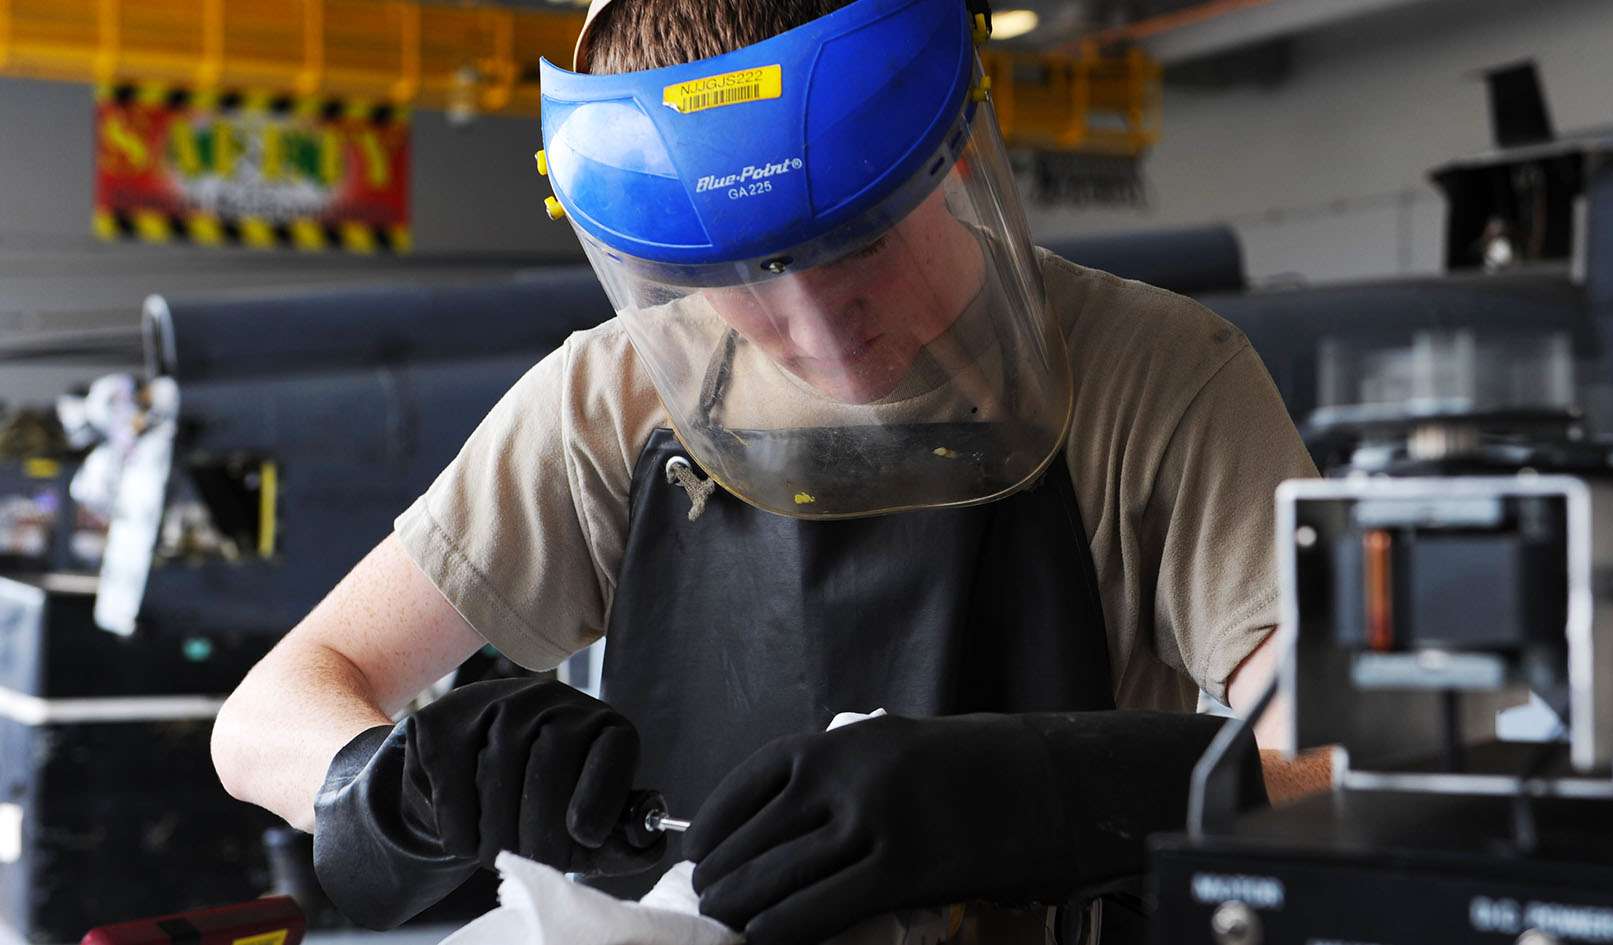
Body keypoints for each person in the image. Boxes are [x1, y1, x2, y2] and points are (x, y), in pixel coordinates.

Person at [210, 0, 1321, 941]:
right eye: (735, 276)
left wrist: (1048, 792)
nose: (821, 334)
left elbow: (1348, 771)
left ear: (949, 153)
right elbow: (261, 720)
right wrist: (397, 781)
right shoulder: (609, 398)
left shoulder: (1163, 376)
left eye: (863, 243)